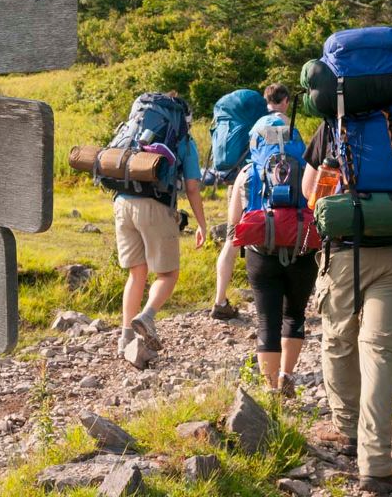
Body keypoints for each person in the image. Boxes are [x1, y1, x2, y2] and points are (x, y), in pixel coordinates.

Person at [300, 118, 392, 494]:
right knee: (381, 354)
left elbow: (308, 192)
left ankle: (347, 429)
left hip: (343, 255)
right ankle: (377, 465)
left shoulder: (332, 127)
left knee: (338, 340)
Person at [216, 117, 318, 396]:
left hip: (261, 254)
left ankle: (270, 389)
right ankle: (286, 375)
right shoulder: (309, 168)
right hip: (303, 249)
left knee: (266, 321)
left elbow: (234, 222)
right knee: (295, 316)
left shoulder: (248, 172)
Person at [115, 94, 207, 359]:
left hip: (121, 202)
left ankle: (125, 339)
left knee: (136, 273)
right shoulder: (183, 141)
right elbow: (191, 187)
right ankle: (147, 316)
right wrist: (201, 224)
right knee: (167, 274)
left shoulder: (134, 131)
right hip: (154, 205)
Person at [211, 83, 293, 320]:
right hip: (272, 188)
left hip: (241, 180)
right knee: (278, 237)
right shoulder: (284, 124)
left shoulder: (256, 123)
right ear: (286, 100)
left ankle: (219, 300)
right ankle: (278, 300)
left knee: (232, 239)